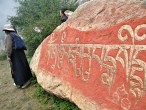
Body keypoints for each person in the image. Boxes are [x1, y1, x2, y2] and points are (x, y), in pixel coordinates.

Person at [2, 24, 32, 89]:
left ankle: (22, 83)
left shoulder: (9, 36)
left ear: (6, 30)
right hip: (21, 53)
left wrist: (9, 56)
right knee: (23, 66)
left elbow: (9, 47)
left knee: (18, 68)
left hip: (15, 54)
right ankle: (28, 79)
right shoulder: (16, 35)